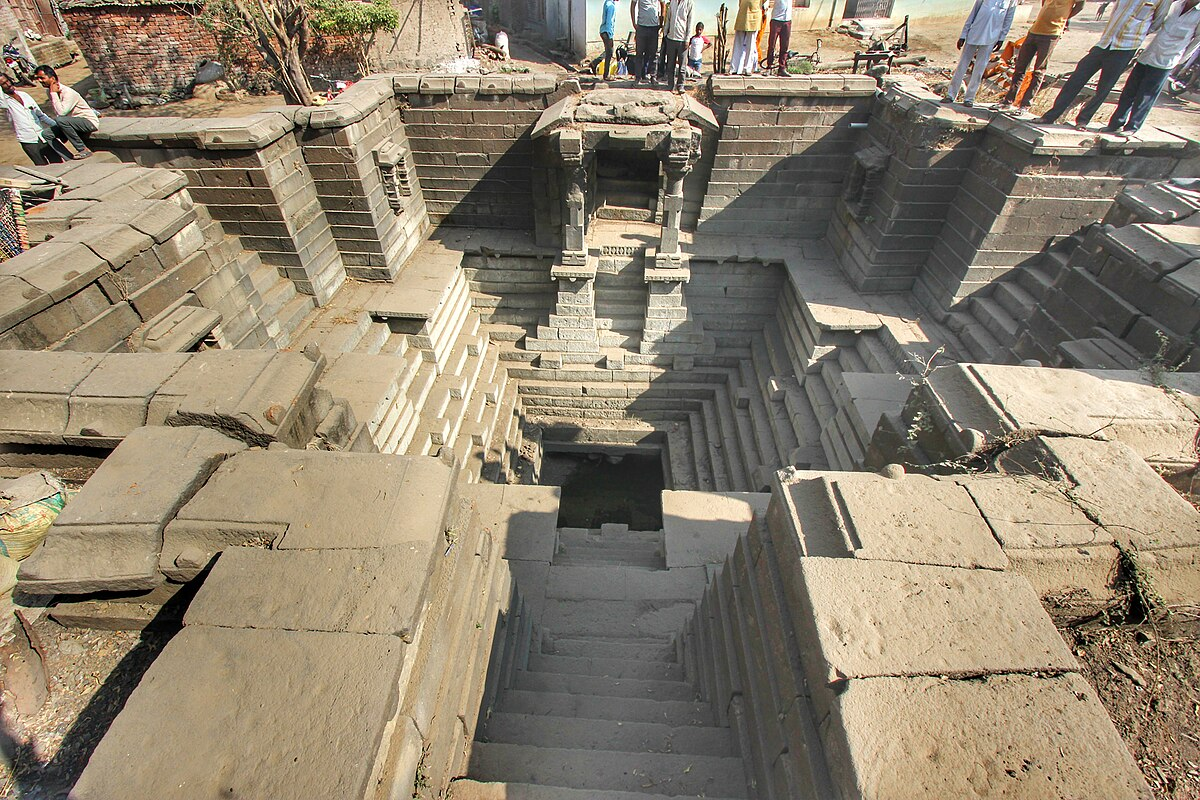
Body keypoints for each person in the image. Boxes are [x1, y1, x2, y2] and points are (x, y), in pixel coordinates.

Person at [1037, 0, 1172, 128]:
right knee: (1076, 78)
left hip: (1126, 46)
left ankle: (1083, 120)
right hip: (1105, 42)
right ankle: (1050, 116)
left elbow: (1156, 23)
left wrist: (1137, 33)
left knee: (1104, 87)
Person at [1103, 0, 1200, 134]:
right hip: (1150, 52)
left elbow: (1196, 41)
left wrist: (1180, 60)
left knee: (1146, 95)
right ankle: (1115, 124)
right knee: (1129, 90)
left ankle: (1132, 127)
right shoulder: (1175, 5)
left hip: (1167, 59)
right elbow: (1158, 23)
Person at [996, 0, 1084, 113]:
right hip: (1035, 30)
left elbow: (1081, 5)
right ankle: (1008, 100)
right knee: (1020, 67)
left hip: (1052, 33)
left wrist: (1064, 17)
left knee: (1039, 70)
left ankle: (1025, 105)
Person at [944, 0, 1018, 106]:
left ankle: (969, 98)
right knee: (962, 65)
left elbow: (1008, 19)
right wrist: (963, 35)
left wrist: (1002, 37)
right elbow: (974, 13)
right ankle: (951, 95)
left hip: (992, 37)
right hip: (974, 32)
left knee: (980, 68)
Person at [0, 73, 67, 166]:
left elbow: (41, 115)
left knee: (57, 163)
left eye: (7, 81)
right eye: (3, 84)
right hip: (28, 140)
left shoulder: (24, 95)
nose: (8, 84)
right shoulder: (5, 103)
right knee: (42, 167)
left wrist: (57, 125)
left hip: (42, 136)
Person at [34, 65, 98, 159]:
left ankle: (83, 150)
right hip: (72, 124)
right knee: (46, 134)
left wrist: (53, 93)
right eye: (38, 78)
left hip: (88, 122)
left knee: (60, 120)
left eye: (42, 78)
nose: (39, 81)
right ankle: (68, 158)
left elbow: (61, 113)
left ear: (52, 78)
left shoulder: (68, 92)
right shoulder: (50, 92)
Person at [659, 0, 693, 91]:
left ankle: (680, 85)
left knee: (682, 66)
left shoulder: (689, 3)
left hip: (682, 39)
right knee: (670, 65)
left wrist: (687, 39)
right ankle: (670, 85)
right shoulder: (673, 2)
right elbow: (669, 18)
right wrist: (665, 33)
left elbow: (690, 22)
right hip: (671, 38)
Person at [631, 0, 665, 83]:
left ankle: (653, 76)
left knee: (654, 54)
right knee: (639, 53)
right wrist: (634, 23)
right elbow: (633, 5)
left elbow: (663, 4)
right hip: (641, 27)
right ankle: (638, 77)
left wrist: (661, 22)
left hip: (654, 27)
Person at [731, 0, 763, 74]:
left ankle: (747, 68)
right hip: (742, 14)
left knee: (751, 44)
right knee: (738, 43)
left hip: (754, 16)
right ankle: (734, 68)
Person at [766, 0, 793, 76]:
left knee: (784, 45)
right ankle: (769, 66)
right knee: (772, 44)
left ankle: (782, 68)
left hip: (787, 20)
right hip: (776, 19)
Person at [600, 0, 618, 79]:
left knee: (608, 52)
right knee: (609, 53)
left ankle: (595, 63)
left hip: (603, 30)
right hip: (607, 31)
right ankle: (606, 75)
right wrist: (610, 35)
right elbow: (609, 21)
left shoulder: (607, 3)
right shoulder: (611, 6)